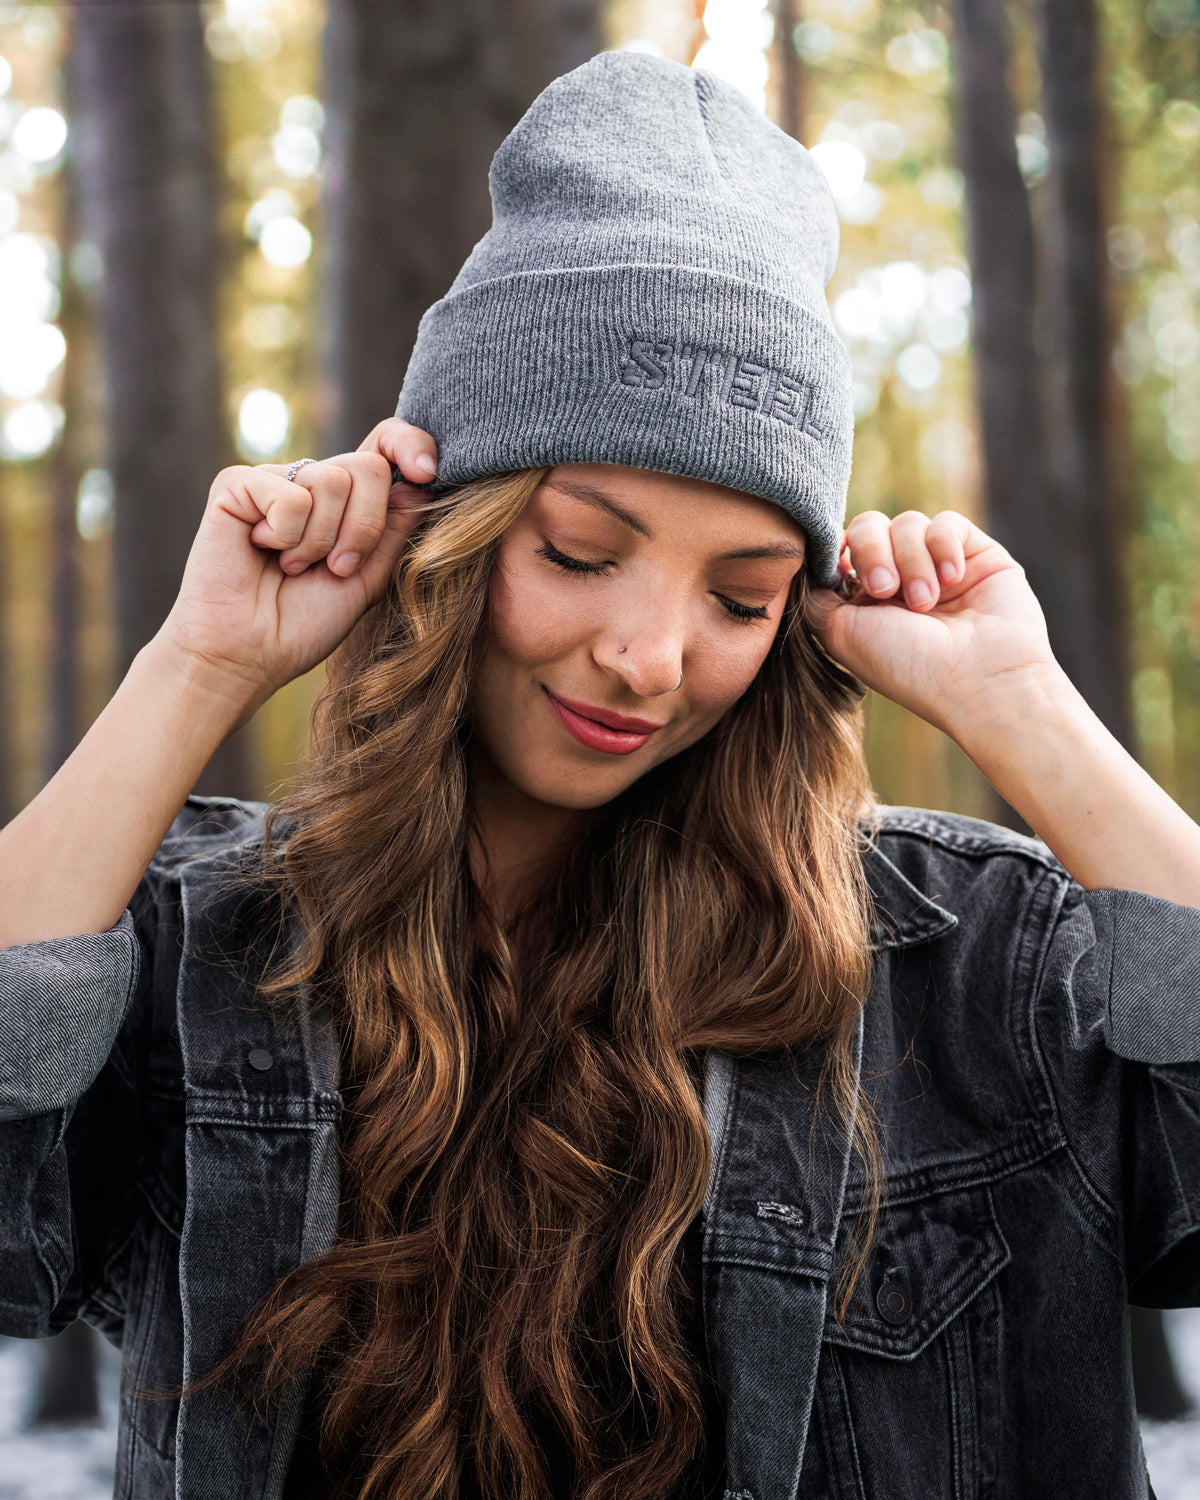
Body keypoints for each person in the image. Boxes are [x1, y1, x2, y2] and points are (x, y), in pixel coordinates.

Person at [1, 48, 1198, 1500]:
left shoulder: (979, 972)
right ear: (446, 531)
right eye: (580, 551)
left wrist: (1027, 709)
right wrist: (194, 666)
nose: (650, 657)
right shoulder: (203, 953)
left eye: (743, 596)